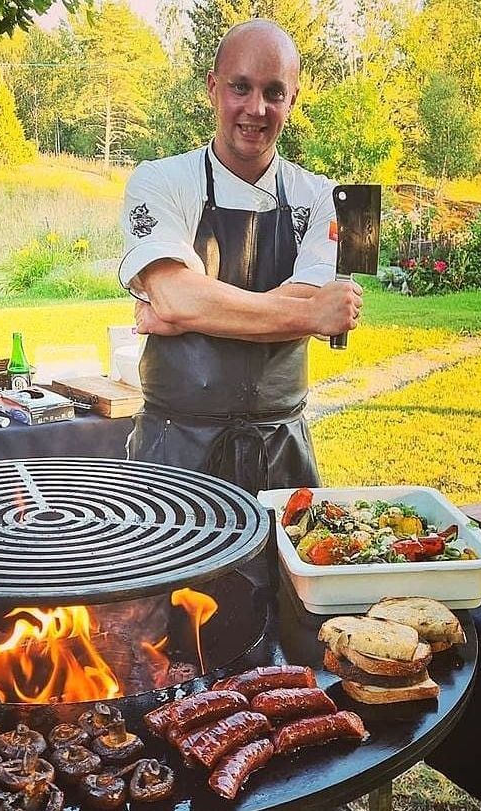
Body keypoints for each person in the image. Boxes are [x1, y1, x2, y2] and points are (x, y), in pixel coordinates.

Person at [118, 19, 363, 494]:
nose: (256, 108)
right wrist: (307, 314)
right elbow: (173, 295)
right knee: (175, 570)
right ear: (213, 88)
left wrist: (186, 314)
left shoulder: (322, 199)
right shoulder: (161, 181)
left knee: (287, 569)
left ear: (293, 98)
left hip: (282, 451)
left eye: (274, 92)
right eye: (240, 87)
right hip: (173, 448)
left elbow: (180, 303)